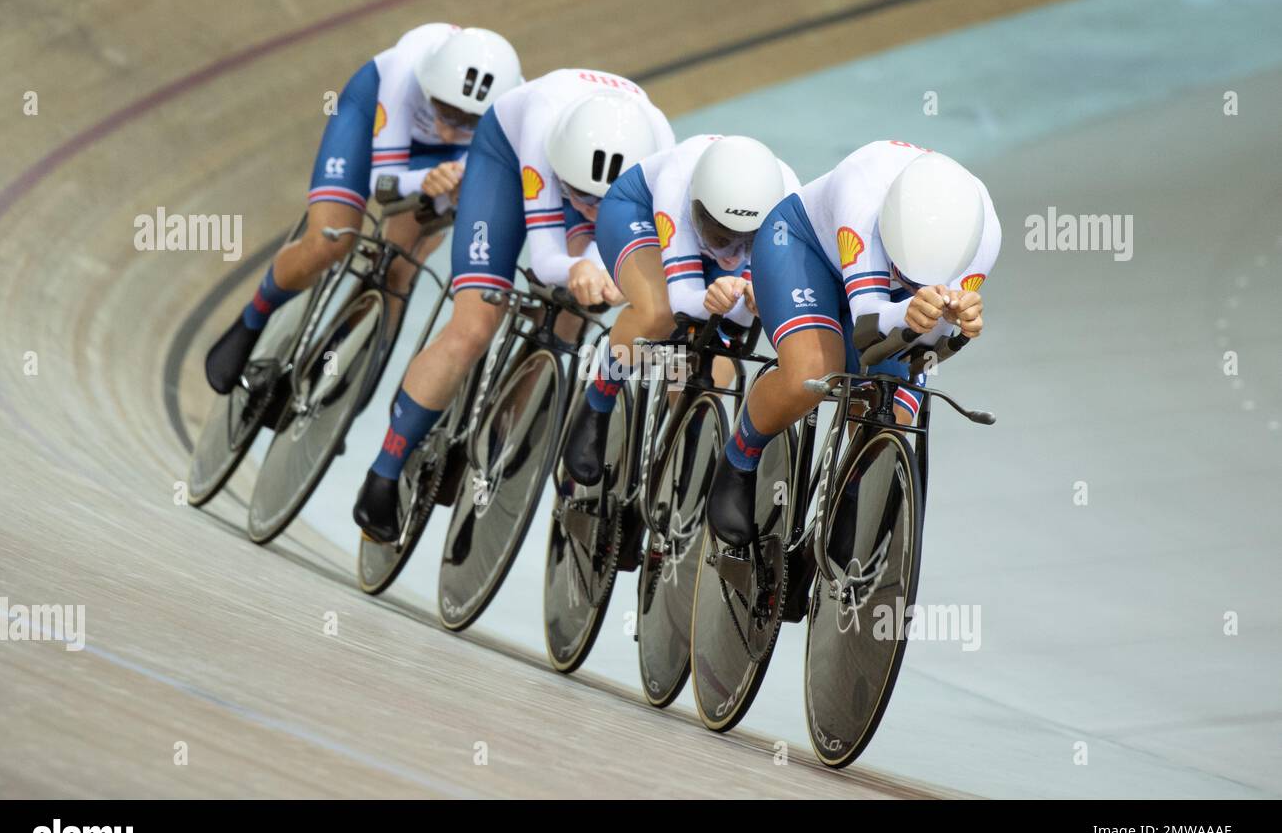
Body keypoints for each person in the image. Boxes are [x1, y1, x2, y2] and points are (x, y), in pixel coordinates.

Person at [352, 69, 674, 542]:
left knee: (573, 317)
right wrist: (576, 268)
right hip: (505, 159)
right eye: (582, 197)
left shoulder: (657, 154)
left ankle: (501, 440)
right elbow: (546, 259)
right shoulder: (544, 127)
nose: (588, 209)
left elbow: (613, 236)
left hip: (599, 185)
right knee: (475, 325)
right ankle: (385, 467)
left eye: (600, 202)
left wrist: (596, 266)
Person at [706, 140, 1002, 547]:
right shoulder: (862, 193)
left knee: (894, 409)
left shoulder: (982, 238)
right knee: (812, 373)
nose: (914, 284)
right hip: (806, 250)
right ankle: (739, 458)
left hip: (894, 297)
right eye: (906, 271)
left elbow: (924, 355)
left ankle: (848, 497)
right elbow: (867, 320)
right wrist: (915, 307)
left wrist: (956, 323)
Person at [203, 24, 521, 393]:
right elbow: (383, 184)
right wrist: (426, 180)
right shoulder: (405, 71)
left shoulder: (509, 114)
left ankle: (342, 357)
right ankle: (252, 319)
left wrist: (458, 185)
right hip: (370, 121)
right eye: (446, 112)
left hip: (447, 162)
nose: (451, 130)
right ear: (429, 85)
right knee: (330, 241)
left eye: (470, 121)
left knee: (402, 268)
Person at [561, 134, 799, 485]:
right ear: (698, 208)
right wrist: (722, 294)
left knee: (718, 349)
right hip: (638, 215)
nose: (732, 256)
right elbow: (681, 300)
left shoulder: (788, 201)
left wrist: (749, 297)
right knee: (656, 312)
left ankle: (683, 434)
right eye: (721, 238)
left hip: (712, 233)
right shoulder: (678, 179)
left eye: (746, 242)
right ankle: (599, 398)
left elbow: (749, 309)